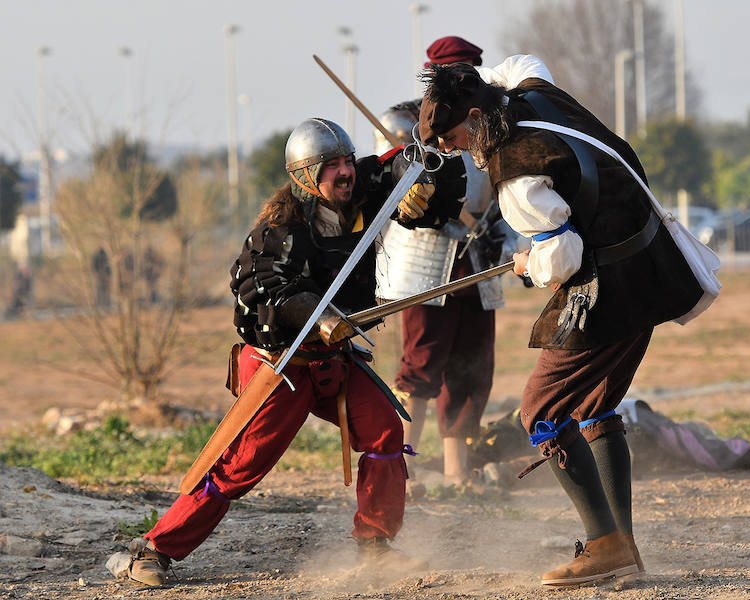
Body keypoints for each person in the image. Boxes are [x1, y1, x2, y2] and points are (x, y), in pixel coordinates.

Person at [110, 118, 458, 586]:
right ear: (303, 177)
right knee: (239, 467)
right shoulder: (277, 230)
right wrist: (320, 314)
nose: (344, 172)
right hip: (283, 364)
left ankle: (376, 547)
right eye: (329, 166)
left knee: (384, 432)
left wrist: (427, 172)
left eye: (345, 162)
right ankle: (154, 550)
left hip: (335, 363)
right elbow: (263, 290)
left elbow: (403, 165)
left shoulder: (362, 193)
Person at [418, 55, 704, 586]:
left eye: (451, 135)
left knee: (541, 412)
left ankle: (605, 545)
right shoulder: (537, 94)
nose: (450, 147)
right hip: (649, 270)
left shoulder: (515, 176)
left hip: (608, 289)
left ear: (477, 116)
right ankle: (622, 544)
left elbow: (563, 256)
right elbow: (524, 60)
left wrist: (528, 265)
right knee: (596, 406)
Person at [374, 36, 519, 485]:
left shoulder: (494, 121)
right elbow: (391, 180)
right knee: (420, 367)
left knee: (471, 367)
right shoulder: (408, 123)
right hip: (427, 258)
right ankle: (405, 466)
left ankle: (457, 473)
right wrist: (442, 203)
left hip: (479, 257)